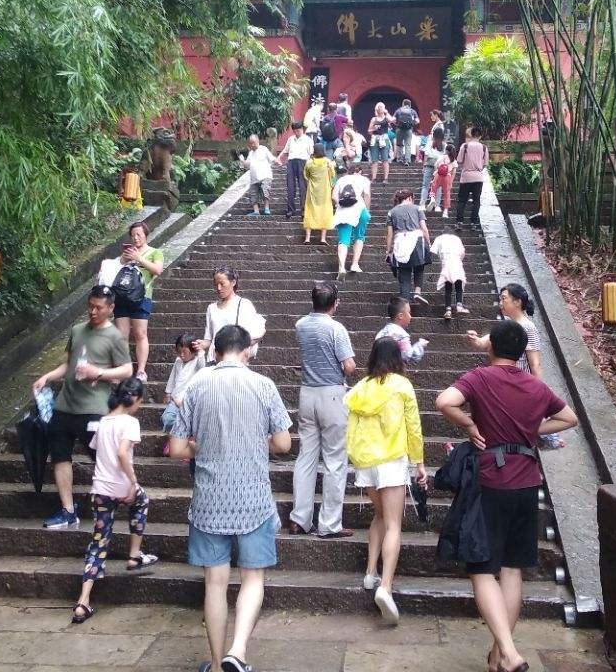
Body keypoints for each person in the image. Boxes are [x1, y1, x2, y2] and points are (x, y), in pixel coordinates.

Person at [435, 321, 579, 672]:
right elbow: (569, 418)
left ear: (491, 347)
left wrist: (470, 425)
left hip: (492, 481)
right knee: (513, 569)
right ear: (520, 351)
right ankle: (499, 655)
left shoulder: (481, 377)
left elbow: (444, 401)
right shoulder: (535, 384)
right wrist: (532, 429)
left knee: (482, 568)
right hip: (527, 482)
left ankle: (510, 653)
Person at [169, 325, 292, 672]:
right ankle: (236, 653)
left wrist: (200, 446)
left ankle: (214, 662)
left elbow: (177, 448)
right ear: (247, 350)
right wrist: (256, 440)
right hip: (254, 498)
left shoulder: (197, 386)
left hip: (209, 499)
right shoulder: (263, 385)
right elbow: (283, 444)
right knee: (252, 578)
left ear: (215, 351)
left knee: (215, 583)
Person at [33, 286, 134, 529]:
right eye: (90, 306)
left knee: (102, 456)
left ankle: (115, 498)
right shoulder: (77, 330)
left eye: (99, 307)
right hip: (64, 405)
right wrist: (47, 377)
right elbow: (68, 364)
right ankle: (68, 510)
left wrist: (98, 372)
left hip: (94, 408)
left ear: (110, 308)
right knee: (60, 456)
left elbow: (127, 370)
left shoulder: (115, 337)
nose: (93, 311)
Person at [345, 337, 427, 625]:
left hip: (366, 461)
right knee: (393, 523)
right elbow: (413, 426)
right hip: (391, 459)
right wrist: (419, 462)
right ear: (397, 359)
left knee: (379, 516)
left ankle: (370, 573)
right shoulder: (402, 385)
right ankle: (386, 587)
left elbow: (350, 428)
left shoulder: (361, 387)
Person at [72, 377, 158, 624]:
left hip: (100, 488)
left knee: (99, 543)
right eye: (140, 401)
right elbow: (122, 453)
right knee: (142, 501)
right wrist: (133, 481)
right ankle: (134, 554)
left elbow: (97, 449)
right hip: (121, 486)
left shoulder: (104, 422)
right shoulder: (130, 422)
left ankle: (82, 602)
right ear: (135, 399)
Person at [287, 283, 356, 538]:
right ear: (335, 303)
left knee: (306, 457)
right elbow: (349, 366)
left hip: (307, 393)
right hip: (332, 394)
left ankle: (299, 518)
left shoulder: (301, 325)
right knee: (335, 460)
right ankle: (329, 523)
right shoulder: (336, 329)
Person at [110, 221, 164, 380]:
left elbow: (158, 270)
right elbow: (116, 269)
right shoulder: (128, 253)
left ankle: (141, 370)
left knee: (140, 334)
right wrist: (125, 259)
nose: (136, 238)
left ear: (146, 235)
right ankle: (122, 369)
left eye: (139, 234)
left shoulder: (155, 252)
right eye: (133, 235)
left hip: (142, 297)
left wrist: (139, 258)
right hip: (122, 297)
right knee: (121, 335)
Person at [194, 267, 265, 364]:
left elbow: (253, 335)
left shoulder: (244, 304)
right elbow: (209, 338)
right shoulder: (211, 308)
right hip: (215, 359)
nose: (219, 288)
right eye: (216, 284)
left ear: (233, 282)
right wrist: (202, 344)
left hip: (235, 358)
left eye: (222, 284)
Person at [386, 189, 431, 304]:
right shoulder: (417, 208)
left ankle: (404, 303)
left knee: (404, 274)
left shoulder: (391, 212)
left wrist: (388, 251)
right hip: (416, 240)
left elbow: (390, 234)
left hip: (400, 242)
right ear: (410, 198)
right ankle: (417, 292)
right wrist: (429, 243)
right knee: (419, 267)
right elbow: (424, 228)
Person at [332, 162, 372, 277]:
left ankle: (341, 268)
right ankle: (354, 264)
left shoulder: (341, 180)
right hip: (360, 210)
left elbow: (334, 196)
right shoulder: (364, 179)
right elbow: (367, 195)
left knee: (343, 240)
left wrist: (339, 204)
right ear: (360, 171)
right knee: (359, 237)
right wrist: (367, 210)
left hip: (343, 212)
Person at [162, 333, 204, 432]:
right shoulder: (178, 361)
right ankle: (182, 428)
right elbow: (172, 377)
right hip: (175, 399)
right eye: (179, 352)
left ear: (193, 351)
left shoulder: (197, 361)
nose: (181, 355)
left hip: (188, 402)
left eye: (185, 352)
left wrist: (200, 352)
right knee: (167, 419)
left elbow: (202, 367)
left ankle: (184, 428)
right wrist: (168, 392)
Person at [375, 297, 428, 365]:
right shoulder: (402, 335)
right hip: (395, 368)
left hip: (379, 368)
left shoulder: (381, 333)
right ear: (400, 316)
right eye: (409, 313)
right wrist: (420, 345)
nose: (410, 316)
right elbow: (408, 356)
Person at [454, 127, 490, 228]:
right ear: (480, 136)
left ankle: (459, 222)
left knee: (462, 200)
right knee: (476, 201)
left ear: (471, 135)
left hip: (466, 177)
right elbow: (485, 164)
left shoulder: (465, 146)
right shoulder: (484, 148)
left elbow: (459, 160)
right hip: (478, 178)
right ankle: (473, 222)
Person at [277, 121, 313, 220]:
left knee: (303, 187)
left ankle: (304, 209)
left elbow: (311, 154)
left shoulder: (308, 140)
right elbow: (285, 151)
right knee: (290, 187)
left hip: (303, 162)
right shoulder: (290, 139)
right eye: (295, 131)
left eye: (299, 130)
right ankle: (290, 209)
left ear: (302, 129)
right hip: (291, 162)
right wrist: (279, 158)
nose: (297, 132)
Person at [302, 145, 337, 245]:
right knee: (325, 212)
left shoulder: (309, 162)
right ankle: (323, 239)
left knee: (310, 212)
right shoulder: (328, 162)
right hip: (325, 192)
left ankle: (307, 238)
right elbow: (333, 175)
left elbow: (306, 175)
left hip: (312, 192)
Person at [431, 229, 468, 320]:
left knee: (448, 288)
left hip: (447, 264)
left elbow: (432, 251)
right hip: (457, 262)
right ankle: (459, 306)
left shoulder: (439, 238)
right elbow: (463, 253)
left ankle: (448, 311)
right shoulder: (457, 238)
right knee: (458, 285)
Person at [241, 134, 274, 217]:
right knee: (253, 194)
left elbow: (272, 158)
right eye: (250, 143)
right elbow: (247, 165)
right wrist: (242, 161)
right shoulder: (251, 153)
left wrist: (278, 161)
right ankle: (256, 211)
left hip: (265, 175)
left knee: (265, 190)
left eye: (254, 143)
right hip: (254, 178)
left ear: (258, 141)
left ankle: (267, 208)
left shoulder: (264, 149)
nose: (252, 145)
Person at [367, 102, 394, 184]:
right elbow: (369, 131)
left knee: (385, 159)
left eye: (382, 107)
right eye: (379, 107)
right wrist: (374, 129)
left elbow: (392, 120)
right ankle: (373, 178)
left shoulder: (386, 118)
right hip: (375, 139)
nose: (380, 109)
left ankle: (386, 178)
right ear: (377, 109)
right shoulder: (374, 119)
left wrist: (386, 113)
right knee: (374, 160)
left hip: (384, 138)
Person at [421, 132, 447, 210]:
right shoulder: (444, 145)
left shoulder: (430, 143)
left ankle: (422, 204)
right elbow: (445, 157)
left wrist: (424, 166)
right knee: (438, 187)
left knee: (425, 186)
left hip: (429, 165)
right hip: (440, 167)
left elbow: (426, 155)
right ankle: (437, 206)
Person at [428, 142, 455, 217]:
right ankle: (445, 212)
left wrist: (435, 174)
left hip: (438, 175)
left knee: (433, 189)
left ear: (446, 150)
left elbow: (435, 165)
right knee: (447, 194)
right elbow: (454, 172)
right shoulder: (453, 160)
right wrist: (451, 182)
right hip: (447, 176)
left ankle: (432, 199)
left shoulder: (441, 157)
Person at [392, 99, 419, 165]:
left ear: (403, 104)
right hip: (409, 130)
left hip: (399, 129)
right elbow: (417, 121)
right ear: (410, 105)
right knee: (408, 145)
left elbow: (393, 119)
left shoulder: (399, 110)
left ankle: (400, 159)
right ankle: (407, 160)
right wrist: (412, 124)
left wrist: (396, 124)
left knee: (399, 144)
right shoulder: (412, 111)